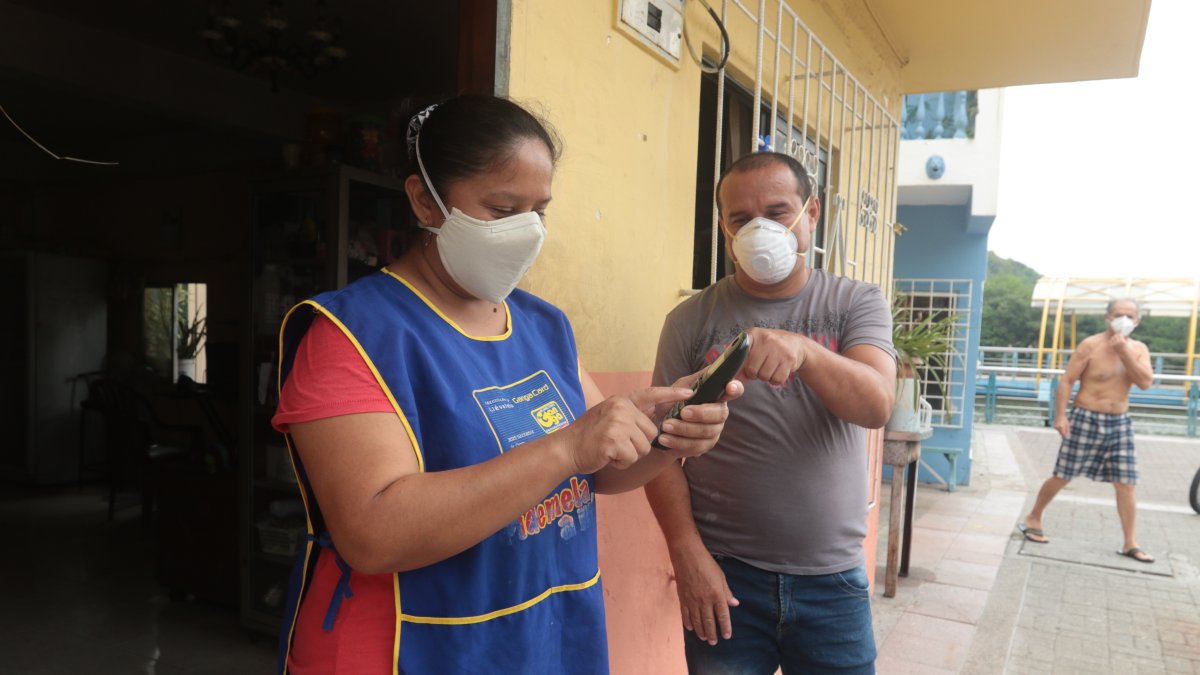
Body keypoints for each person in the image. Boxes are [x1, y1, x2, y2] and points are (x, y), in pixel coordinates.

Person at [270, 94, 742, 675]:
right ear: (424, 199)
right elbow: (372, 533)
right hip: (409, 648)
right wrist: (567, 446)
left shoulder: (543, 324)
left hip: (542, 637)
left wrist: (670, 433)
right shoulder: (353, 335)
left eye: (539, 210)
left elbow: (604, 468)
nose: (526, 231)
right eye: (501, 209)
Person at [645, 151, 897, 674]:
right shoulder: (690, 320)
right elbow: (660, 448)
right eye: (740, 218)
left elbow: (876, 405)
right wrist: (687, 555)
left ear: (811, 214)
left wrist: (805, 352)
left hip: (834, 582)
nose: (759, 227)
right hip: (726, 578)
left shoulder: (856, 302)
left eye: (777, 211)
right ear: (723, 227)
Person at [1019, 298, 1155, 563]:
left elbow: (1145, 382)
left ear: (1137, 321)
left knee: (1126, 483)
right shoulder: (1091, 345)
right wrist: (1060, 415)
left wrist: (1124, 351)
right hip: (1086, 417)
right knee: (1064, 473)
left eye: (1130, 316)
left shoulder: (1138, 349)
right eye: (1119, 314)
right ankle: (1033, 517)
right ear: (1107, 317)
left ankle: (1130, 542)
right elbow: (1068, 380)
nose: (1124, 320)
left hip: (1120, 421)